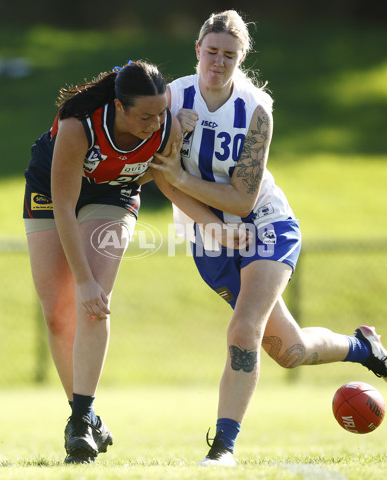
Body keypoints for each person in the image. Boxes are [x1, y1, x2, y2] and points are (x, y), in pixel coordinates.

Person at [149, 10, 387, 467]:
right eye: (210, 52)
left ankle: (223, 447)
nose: (217, 62)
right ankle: (362, 347)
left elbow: (244, 199)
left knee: (243, 329)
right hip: (209, 237)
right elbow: (163, 178)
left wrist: (191, 189)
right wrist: (208, 224)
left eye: (229, 55)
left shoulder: (256, 109)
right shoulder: (171, 99)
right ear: (197, 51)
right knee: (288, 351)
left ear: (242, 57)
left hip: (265, 225)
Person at [23, 60, 231, 464]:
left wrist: (212, 225)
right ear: (119, 106)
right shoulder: (77, 126)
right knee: (58, 314)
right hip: (54, 191)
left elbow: (165, 179)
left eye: (160, 113)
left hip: (113, 194)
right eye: (145, 116)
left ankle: (80, 421)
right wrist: (80, 279)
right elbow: (64, 208)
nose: (155, 123)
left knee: (96, 304)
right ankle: (87, 417)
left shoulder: (166, 124)